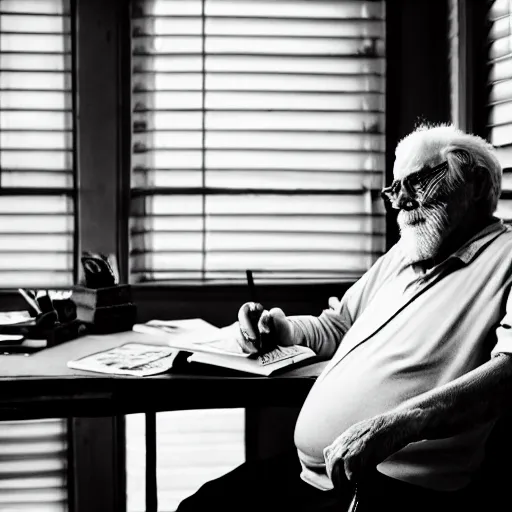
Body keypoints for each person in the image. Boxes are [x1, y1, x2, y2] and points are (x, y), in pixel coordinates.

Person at [176, 124, 512, 512]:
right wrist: (281, 329)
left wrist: (394, 426)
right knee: (200, 506)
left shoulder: (506, 259)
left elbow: (508, 375)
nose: (400, 202)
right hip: (319, 476)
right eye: (394, 188)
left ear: (475, 183)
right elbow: (337, 325)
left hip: (394, 487)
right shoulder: (401, 257)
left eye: (417, 182)